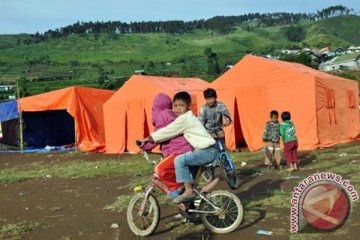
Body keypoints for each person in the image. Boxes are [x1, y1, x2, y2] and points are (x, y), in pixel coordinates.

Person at [137, 91, 218, 203]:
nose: (178, 109)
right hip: (205, 150)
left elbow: (166, 132)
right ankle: (187, 202)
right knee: (187, 175)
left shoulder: (184, 119)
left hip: (206, 151)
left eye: (181, 105)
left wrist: (146, 140)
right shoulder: (184, 117)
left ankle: (188, 191)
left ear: (189, 106)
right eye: (176, 106)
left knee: (179, 161)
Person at [142, 93, 194, 198]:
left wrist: (144, 146)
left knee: (160, 169)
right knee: (179, 175)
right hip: (186, 149)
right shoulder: (172, 114)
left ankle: (176, 189)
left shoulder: (162, 116)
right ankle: (187, 207)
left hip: (178, 151)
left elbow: (159, 135)